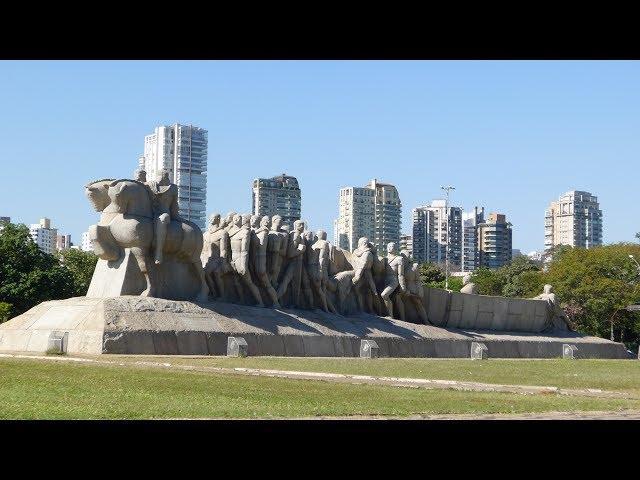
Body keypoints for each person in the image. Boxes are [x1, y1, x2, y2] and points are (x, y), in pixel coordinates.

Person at [146, 168, 180, 265]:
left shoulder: (173, 188)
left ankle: (159, 252)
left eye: (164, 176)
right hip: (151, 213)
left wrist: (177, 217)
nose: (162, 178)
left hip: (164, 214)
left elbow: (174, 205)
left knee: (162, 219)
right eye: (160, 176)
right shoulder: (150, 185)